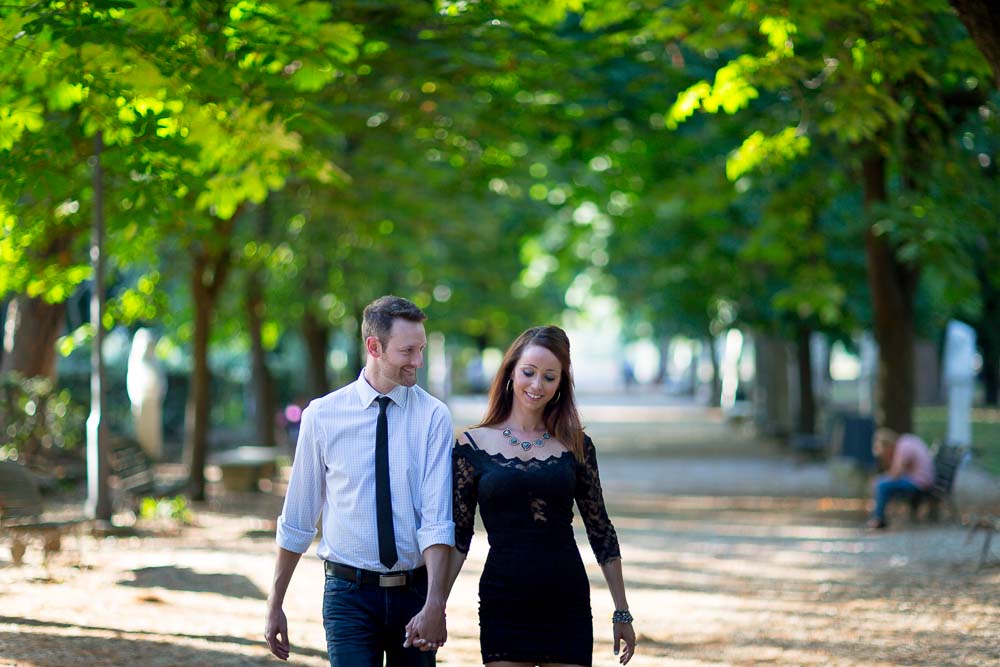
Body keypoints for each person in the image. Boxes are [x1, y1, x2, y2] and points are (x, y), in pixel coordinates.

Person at [264, 295, 455, 666]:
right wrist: (275, 603)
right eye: (408, 351)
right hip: (347, 596)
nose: (418, 361)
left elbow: (436, 519)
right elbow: (298, 517)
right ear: (374, 347)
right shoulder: (322, 416)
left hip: (413, 592)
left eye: (422, 349)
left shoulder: (434, 416)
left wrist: (436, 604)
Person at [446, 325, 636, 666]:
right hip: (503, 598)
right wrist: (436, 605)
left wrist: (622, 611)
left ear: (561, 383)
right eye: (529, 373)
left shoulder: (576, 445)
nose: (536, 385)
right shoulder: (470, 446)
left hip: (566, 596)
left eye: (549, 377)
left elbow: (601, 530)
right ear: (510, 373)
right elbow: (459, 537)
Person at [866, 427, 936, 530]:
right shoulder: (906, 441)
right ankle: (878, 517)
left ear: (888, 445)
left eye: (884, 452)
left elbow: (896, 473)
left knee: (881, 485)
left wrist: (880, 479)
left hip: (921, 483)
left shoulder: (903, 446)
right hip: (924, 480)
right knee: (882, 483)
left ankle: (878, 519)